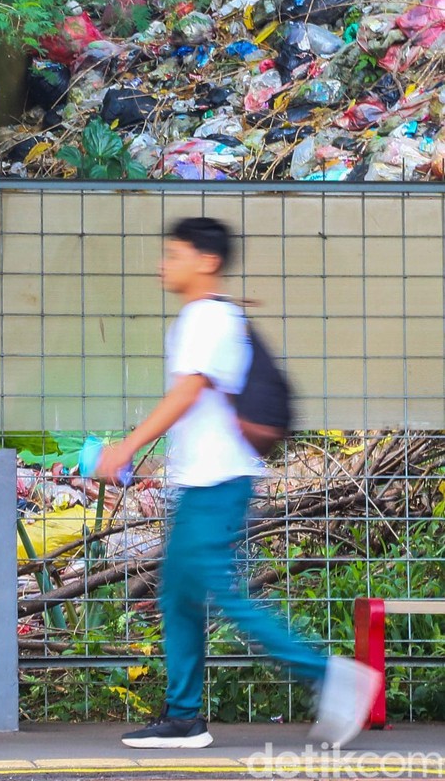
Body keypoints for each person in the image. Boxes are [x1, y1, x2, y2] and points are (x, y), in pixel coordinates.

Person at [96, 216, 380, 750]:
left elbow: (187, 393)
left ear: (206, 261)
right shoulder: (206, 317)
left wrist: (126, 448)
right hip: (203, 482)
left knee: (223, 595)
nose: (164, 263)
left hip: (218, 484)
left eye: (174, 253)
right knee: (179, 597)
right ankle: (183, 719)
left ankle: (332, 676)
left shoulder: (205, 318)